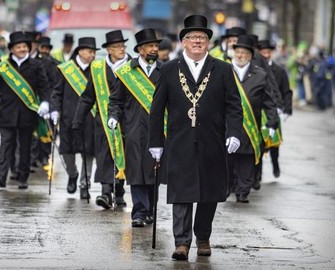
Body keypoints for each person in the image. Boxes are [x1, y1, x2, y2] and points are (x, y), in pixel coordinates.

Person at [148, 15, 243, 260]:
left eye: (202, 37)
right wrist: (155, 142)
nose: (197, 41)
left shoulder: (222, 68)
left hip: (212, 141)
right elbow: (156, 109)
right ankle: (181, 242)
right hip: (179, 142)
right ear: (184, 42)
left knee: (209, 194)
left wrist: (234, 133)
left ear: (208, 42)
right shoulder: (169, 69)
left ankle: (202, 238)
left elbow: (234, 105)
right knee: (181, 192)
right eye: (192, 37)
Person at [0, 31, 50, 189]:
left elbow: (44, 87)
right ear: (12, 49)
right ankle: (1, 176)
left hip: (27, 113)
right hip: (8, 112)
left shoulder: (36, 65)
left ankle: (22, 177)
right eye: (18, 47)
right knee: (6, 144)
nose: (22, 49)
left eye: (24, 46)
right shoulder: (4, 66)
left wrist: (45, 103)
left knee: (25, 147)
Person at [108, 28, 163, 227]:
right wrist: (113, 116)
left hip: (158, 130)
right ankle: (139, 212)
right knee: (136, 171)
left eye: (156, 46)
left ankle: (150, 210)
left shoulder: (166, 70)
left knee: (153, 172)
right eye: (150, 46)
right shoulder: (125, 73)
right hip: (133, 130)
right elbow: (115, 100)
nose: (155, 49)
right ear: (140, 49)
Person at [73, 30, 130, 207]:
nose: (121, 49)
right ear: (109, 50)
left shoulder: (131, 65)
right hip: (103, 121)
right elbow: (88, 96)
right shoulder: (97, 68)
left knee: (122, 156)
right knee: (104, 156)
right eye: (117, 47)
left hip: (127, 121)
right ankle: (106, 193)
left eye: (123, 46)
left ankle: (119, 191)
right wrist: (78, 119)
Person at [229, 35, 278, 203]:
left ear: (250, 56)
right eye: (238, 52)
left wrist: (272, 122)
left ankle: (243, 191)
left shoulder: (260, 75)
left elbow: (269, 102)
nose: (240, 56)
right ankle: (230, 186)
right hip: (227, 127)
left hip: (251, 128)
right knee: (228, 160)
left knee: (247, 160)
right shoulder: (223, 71)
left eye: (244, 53)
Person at [51, 37, 98, 199]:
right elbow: (57, 93)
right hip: (68, 119)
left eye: (94, 52)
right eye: (90, 52)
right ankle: (72, 174)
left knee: (89, 154)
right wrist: (55, 110)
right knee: (66, 151)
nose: (93, 55)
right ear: (80, 51)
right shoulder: (65, 69)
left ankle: (85, 185)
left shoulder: (97, 70)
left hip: (90, 119)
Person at [257, 39, 293, 178]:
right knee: (259, 142)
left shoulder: (280, 71)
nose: (265, 54)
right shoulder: (255, 70)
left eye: (268, 52)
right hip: (259, 110)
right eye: (263, 52)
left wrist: (287, 109)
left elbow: (286, 91)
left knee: (274, 142)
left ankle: (275, 164)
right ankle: (257, 173)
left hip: (274, 110)